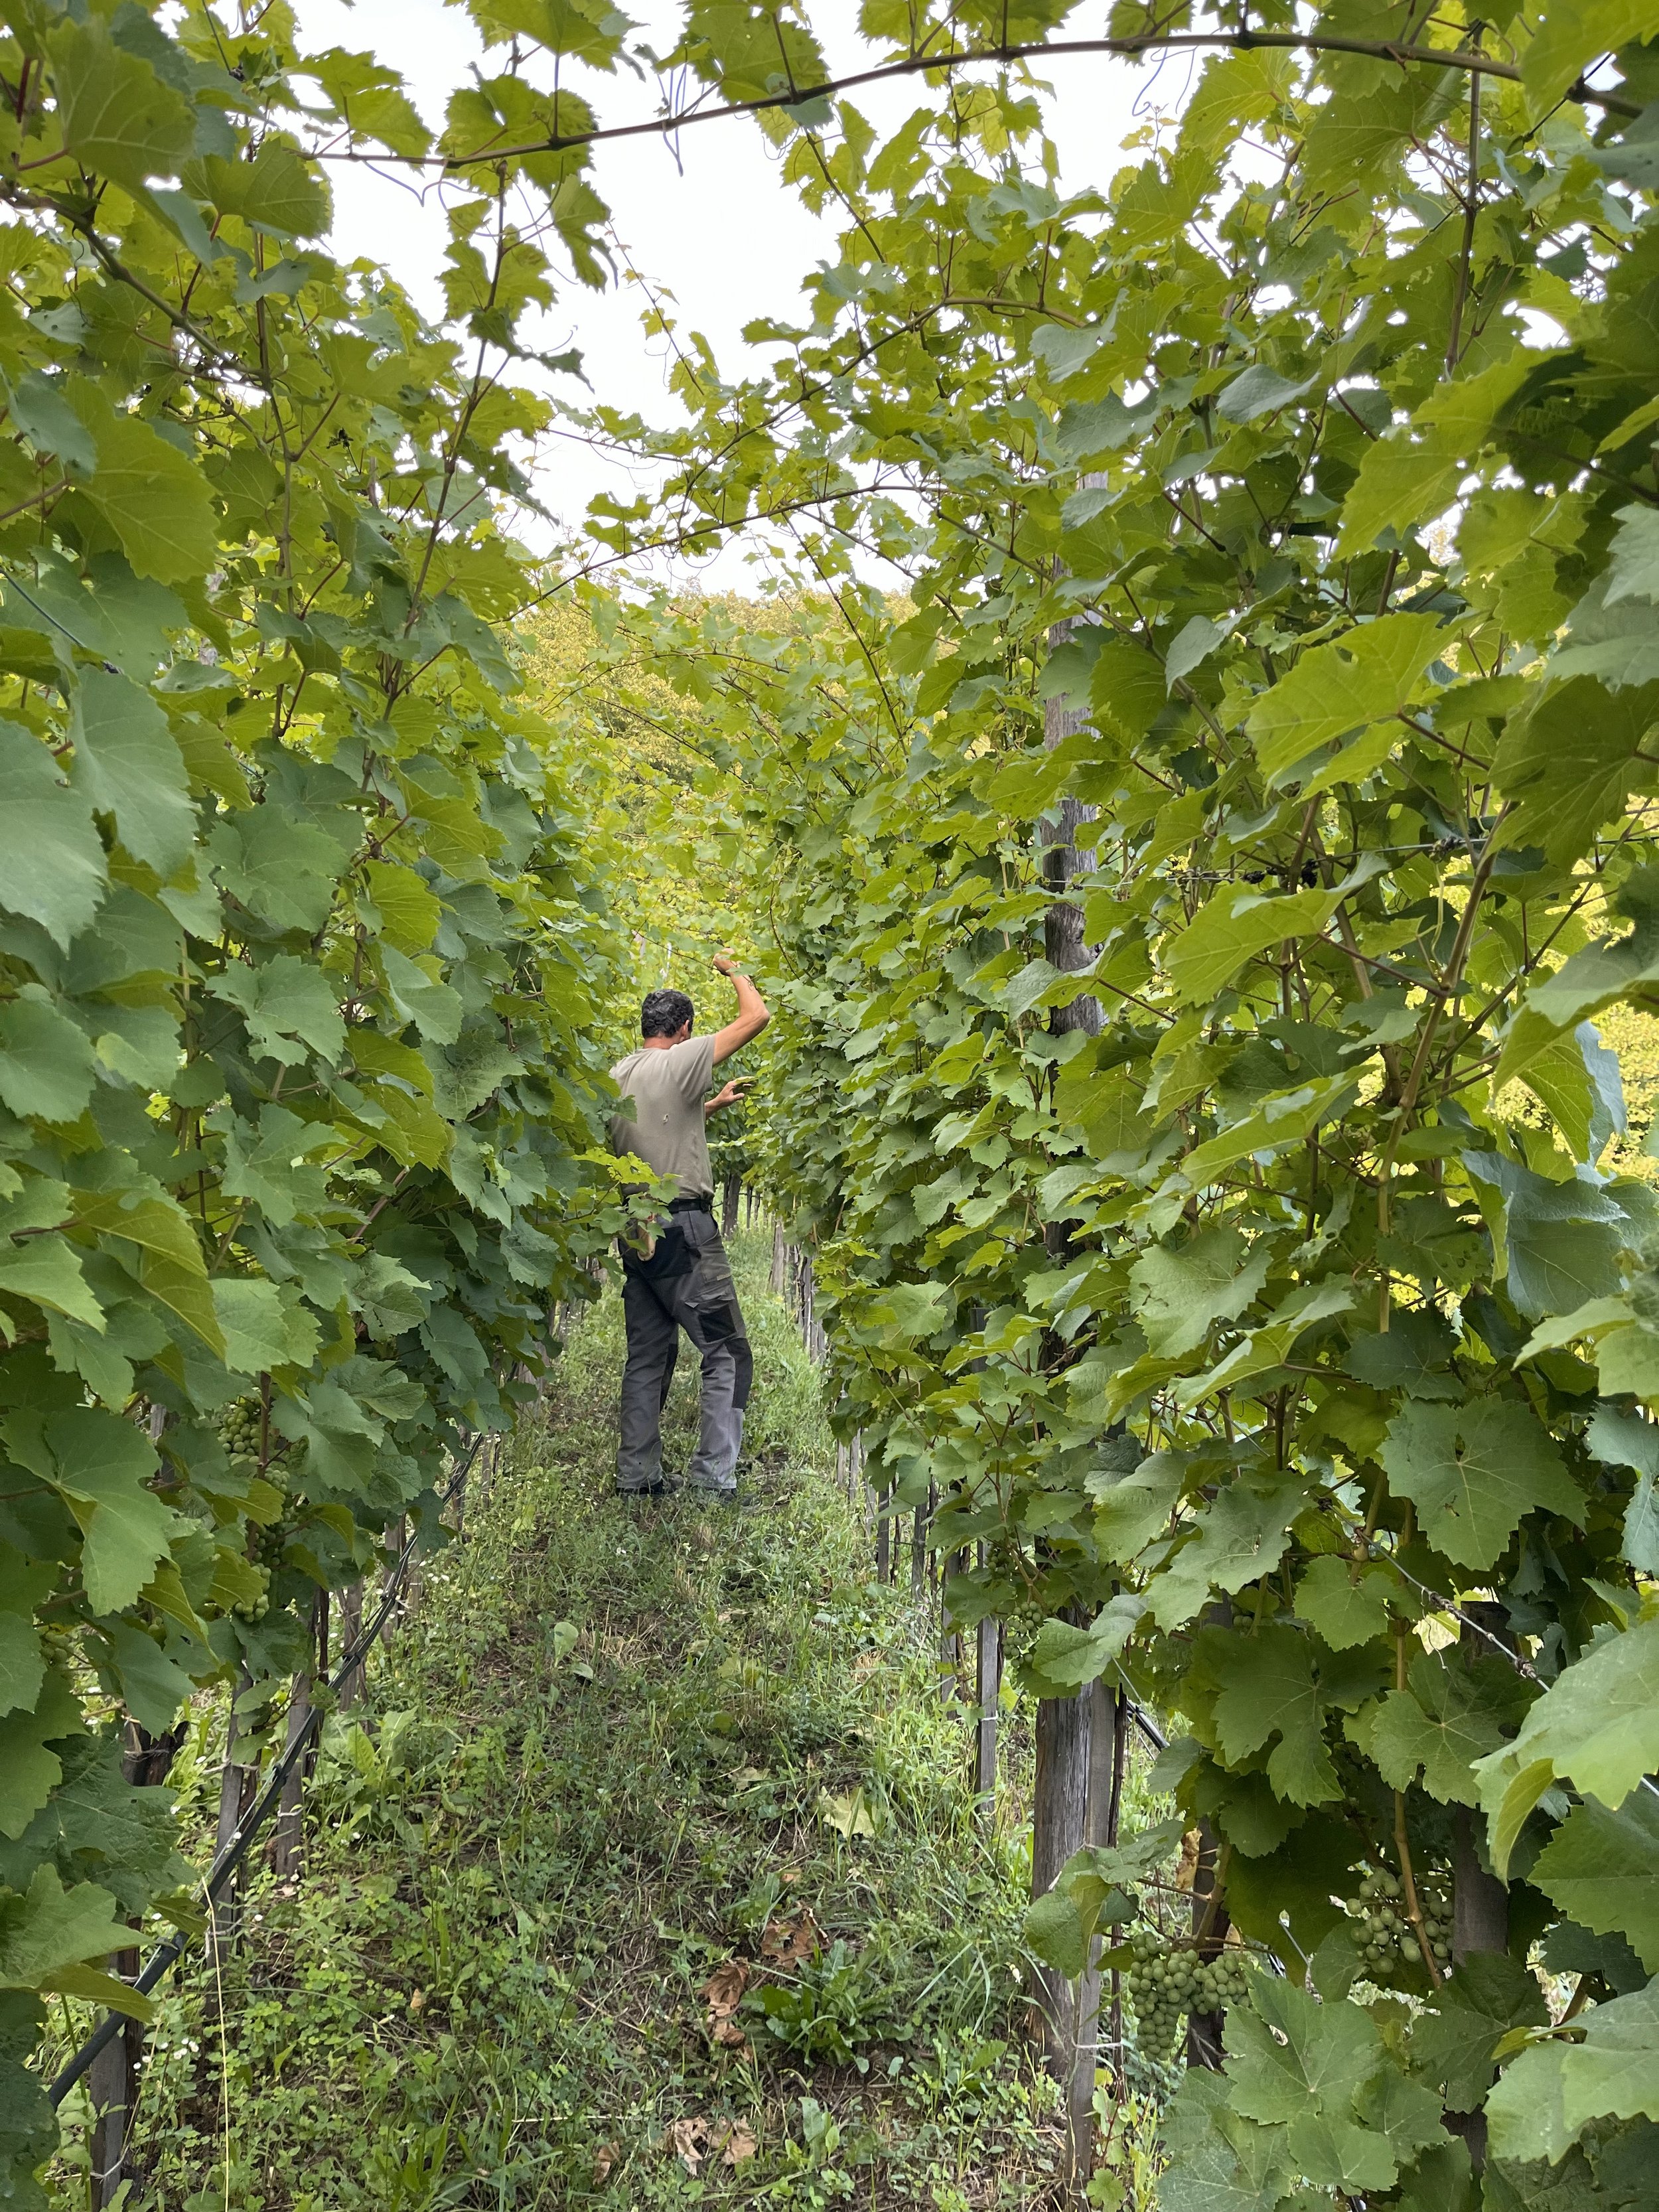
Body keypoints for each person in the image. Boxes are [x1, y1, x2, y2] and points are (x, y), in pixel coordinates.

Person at [608, 951, 769, 1497]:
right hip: (683, 1231)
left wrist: (713, 1106)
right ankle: (713, 1479)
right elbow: (756, 1018)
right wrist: (735, 969)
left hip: (636, 1232)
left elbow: (658, 1131)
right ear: (683, 1030)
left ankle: (637, 1474)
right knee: (727, 1349)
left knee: (649, 1353)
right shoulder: (680, 1061)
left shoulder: (618, 1075)